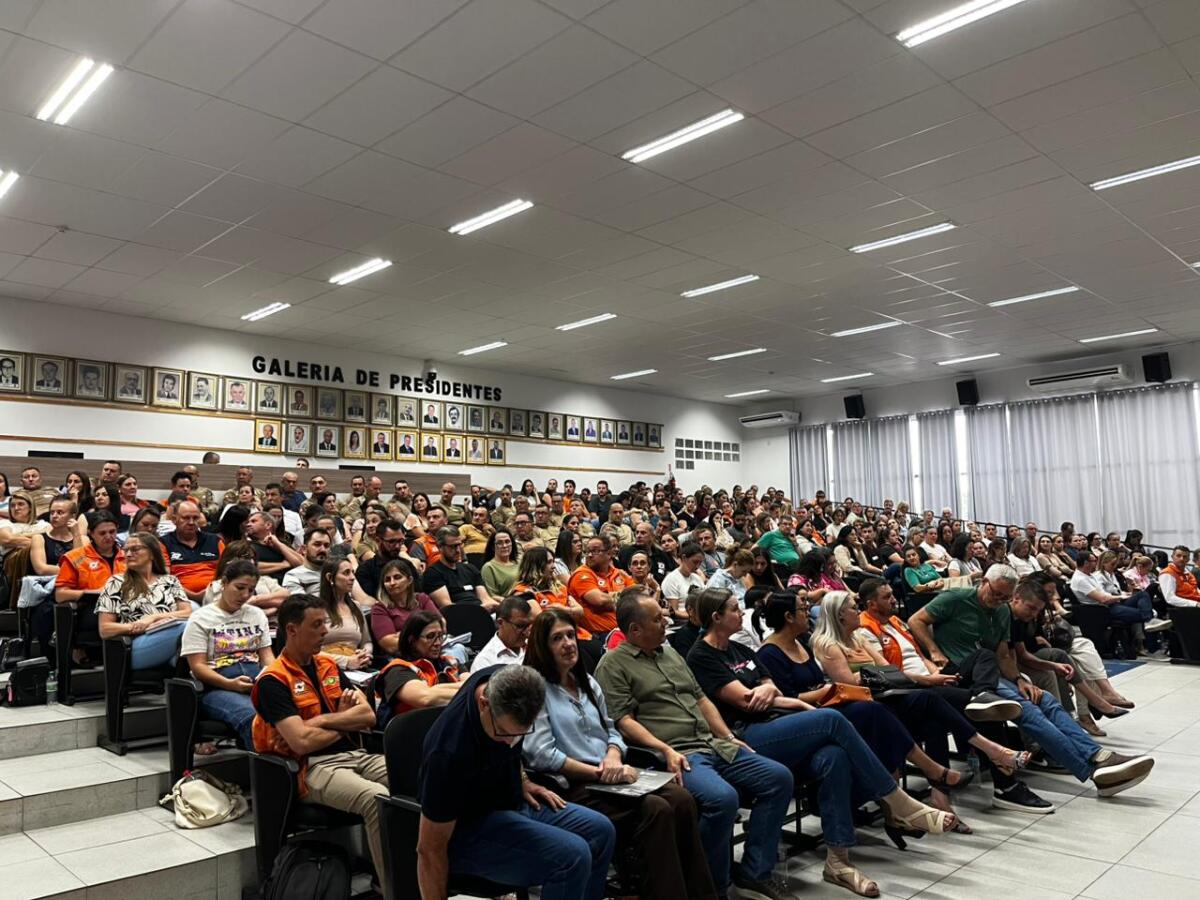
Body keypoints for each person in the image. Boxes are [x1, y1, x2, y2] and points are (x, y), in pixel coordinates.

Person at [908, 566, 1155, 798]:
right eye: (996, 593)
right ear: (983, 582)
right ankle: (1092, 771)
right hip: (960, 674)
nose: (999, 600)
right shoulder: (955, 598)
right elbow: (915, 620)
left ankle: (1098, 755)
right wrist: (934, 650)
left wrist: (1019, 679)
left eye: (1005, 597)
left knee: (1045, 700)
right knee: (1026, 709)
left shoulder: (1001, 611)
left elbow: (1003, 655)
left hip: (988, 674)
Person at [523, 607, 718, 900]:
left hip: (611, 773)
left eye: (571, 635)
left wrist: (613, 756)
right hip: (574, 784)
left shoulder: (587, 683)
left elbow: (613, 731)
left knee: (682, 799)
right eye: (557, 639)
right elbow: (541, 754)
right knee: (656, 809)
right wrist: (600, 773)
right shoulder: (536, 689)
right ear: (542, 647)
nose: (568, 644)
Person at [810, 590, 1031, 831]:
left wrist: (920, 676)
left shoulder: (858, 639)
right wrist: (881, 676)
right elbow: (847, 683)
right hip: (863, 707)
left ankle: (942, 798)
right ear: (840, 614)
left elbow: (888, 671)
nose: (858, 610)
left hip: (888, 696)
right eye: (854, 607)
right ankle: (992, 750)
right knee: (932, 700)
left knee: (934, 719)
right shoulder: (827, 644)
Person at [416, 664, 617, 900]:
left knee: (601, 831)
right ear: (484, 704)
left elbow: (512, 740)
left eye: (520, 734)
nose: (510, 742)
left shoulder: (510, 681)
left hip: (509, 802)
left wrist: (523, 779)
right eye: (503, 732)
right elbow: (429, 849)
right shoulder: (447, 753)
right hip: (467, 831)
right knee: (572, 856)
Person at [251, 595, 390, 894]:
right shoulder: (273, 681)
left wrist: (323, 721)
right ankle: (393, 890)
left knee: (414, 777)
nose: (325, 631)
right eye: (316, 625)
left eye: (325, 623)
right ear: (292, 630)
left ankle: (419, 873)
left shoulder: (328, 665)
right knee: (376, 798)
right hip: (311, 768)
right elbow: (301, 742)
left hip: (356, 754)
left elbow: (368, 715)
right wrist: (344, 720)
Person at [181, 559, 274, 749]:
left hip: (254, 680)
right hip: (217, 686)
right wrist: (230, 684)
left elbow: (267, 657)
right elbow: (197, 667)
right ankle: (266, 767)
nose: (245, 595)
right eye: (240, 587)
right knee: (253, 717)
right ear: (224, 583)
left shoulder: (256, 615)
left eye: (251, 590)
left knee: (291, 708)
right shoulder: (201, 618)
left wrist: (272, 679)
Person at [96, 532, 192, 670]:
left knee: (199, 630)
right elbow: (105, 629)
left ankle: (181, 663)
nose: (128, 554)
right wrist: (137, 626)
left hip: (169, 637)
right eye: (126, 550)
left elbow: (187, 612)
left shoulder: (170, 581)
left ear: (152, 553)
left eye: (135, 549)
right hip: (135, 645)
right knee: (187, 628)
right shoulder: (116, 582)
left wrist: (154, 618)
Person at [374, 610, 465, 725]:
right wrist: (467, 689)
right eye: (430, 636)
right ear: (412, 640)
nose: (438, 643)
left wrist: (438, 690)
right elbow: (426, 698)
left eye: (441, 636)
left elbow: (474, 682)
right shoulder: (397, 670)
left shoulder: (450, 662)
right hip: (414, 731)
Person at [370, 558, 440, 654]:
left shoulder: (421, 598)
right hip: (404, 656)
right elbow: (390, 645)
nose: (392, 583)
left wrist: (403, 634)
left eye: (397, 577)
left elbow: (441, 624)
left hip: (434, 649)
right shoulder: (380, 608)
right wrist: (426, 633)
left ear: (409, 580)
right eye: (387, 580)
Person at [568, 535, 633, 637]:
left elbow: (639, 594)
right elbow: (599, 600)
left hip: (624, 629)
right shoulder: (581, 574)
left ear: (609, 554)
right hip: (598, 634)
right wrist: (627, 597)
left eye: (595, 551)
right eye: (587, 551)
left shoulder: (618, 573)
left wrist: (612, 598)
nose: (590, 555)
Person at [160, 500, 222, 602]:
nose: (191, 522)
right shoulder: (163, 543)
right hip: (181, 597)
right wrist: (194, 596)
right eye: (186, 518)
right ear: (174, 519)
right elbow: (165, 578)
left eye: (195, 518)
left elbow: (227, 572)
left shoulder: (214, 540)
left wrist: (211, 592)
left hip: (216, 594)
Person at [423, 525, 496, 611]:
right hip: (459, 615)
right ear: (440, 547)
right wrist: (479, 609)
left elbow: (485, 599)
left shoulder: (470, 568)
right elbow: (447, 606)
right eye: (453, 546)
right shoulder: (433, 573)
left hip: (483, 612)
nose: (458, 550)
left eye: (459, 545)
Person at [317, 558, 373, 670]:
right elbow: (307, 650)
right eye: (346, 573)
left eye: (352, 572)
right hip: (324, 668)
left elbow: (367, 641)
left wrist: (365, 654)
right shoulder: (315, 609)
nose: (353, 577)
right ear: (330, 578)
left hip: (356, 669)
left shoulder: (356, 606)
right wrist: (346, 661)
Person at [471, 594, 534, 671]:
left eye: (528, 625)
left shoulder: (536, 647)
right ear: (500, 623)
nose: (526, 632)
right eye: (520, 626)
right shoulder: (485, 662)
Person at [661, 541, 706, 622]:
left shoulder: (697, 578)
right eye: (695, 562)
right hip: (682, 622)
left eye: (700, 563)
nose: (697, 566)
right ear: (684, 558)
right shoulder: (671, 579)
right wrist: (697, 617)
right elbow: (674, 612)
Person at [282, 528, 332, 597]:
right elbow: (301, 602)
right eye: (317, 544)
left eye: (326, 546)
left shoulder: (336, 572)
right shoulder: (293, 576)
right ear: (304, 549)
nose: (323, 549)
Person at [481, 529, 519, 601]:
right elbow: (491, 596)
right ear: (493, 546)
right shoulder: (489, 567)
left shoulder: (518, 564)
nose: (504, 546)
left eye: (507, 542)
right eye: (499, 543)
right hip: (507, 603)